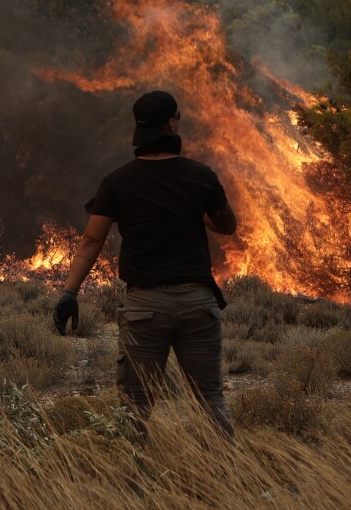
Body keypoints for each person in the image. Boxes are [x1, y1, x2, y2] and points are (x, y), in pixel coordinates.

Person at [55, 91, 238, 440]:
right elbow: (227, 225)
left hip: (145, 308)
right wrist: (193, 206)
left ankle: (135, 483)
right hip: (197, 304)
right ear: (171, 123)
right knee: (210, 399)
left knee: (135, 404)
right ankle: (225, 479)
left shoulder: (117, 181)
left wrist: (69, 292)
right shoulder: (201, 176)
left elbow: (91, 240)